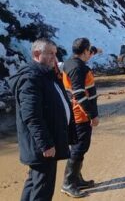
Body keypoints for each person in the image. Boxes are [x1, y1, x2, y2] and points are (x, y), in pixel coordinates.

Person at [8, 38, 76, 201]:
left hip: (44, 144)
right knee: (42, 190)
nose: (55, 57)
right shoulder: (32, 78)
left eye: (55, 53)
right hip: (42, 146)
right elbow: (31, 115)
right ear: (37, 54)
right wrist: (46, 143)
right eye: (50, 54)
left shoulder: (46, 74)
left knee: (34, 183)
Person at [61, 38, 100, 198]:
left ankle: (77, 179)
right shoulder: (78, 68)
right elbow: (79, 95)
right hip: (80, 115)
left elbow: (90, 52)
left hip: (77, 113)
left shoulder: (70, 62)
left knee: (80, 148)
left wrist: (97, 51)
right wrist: (92, 115)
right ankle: (68, 183)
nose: (91, 53)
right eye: (89, 50)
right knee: (79, 148)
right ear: (84, 52)